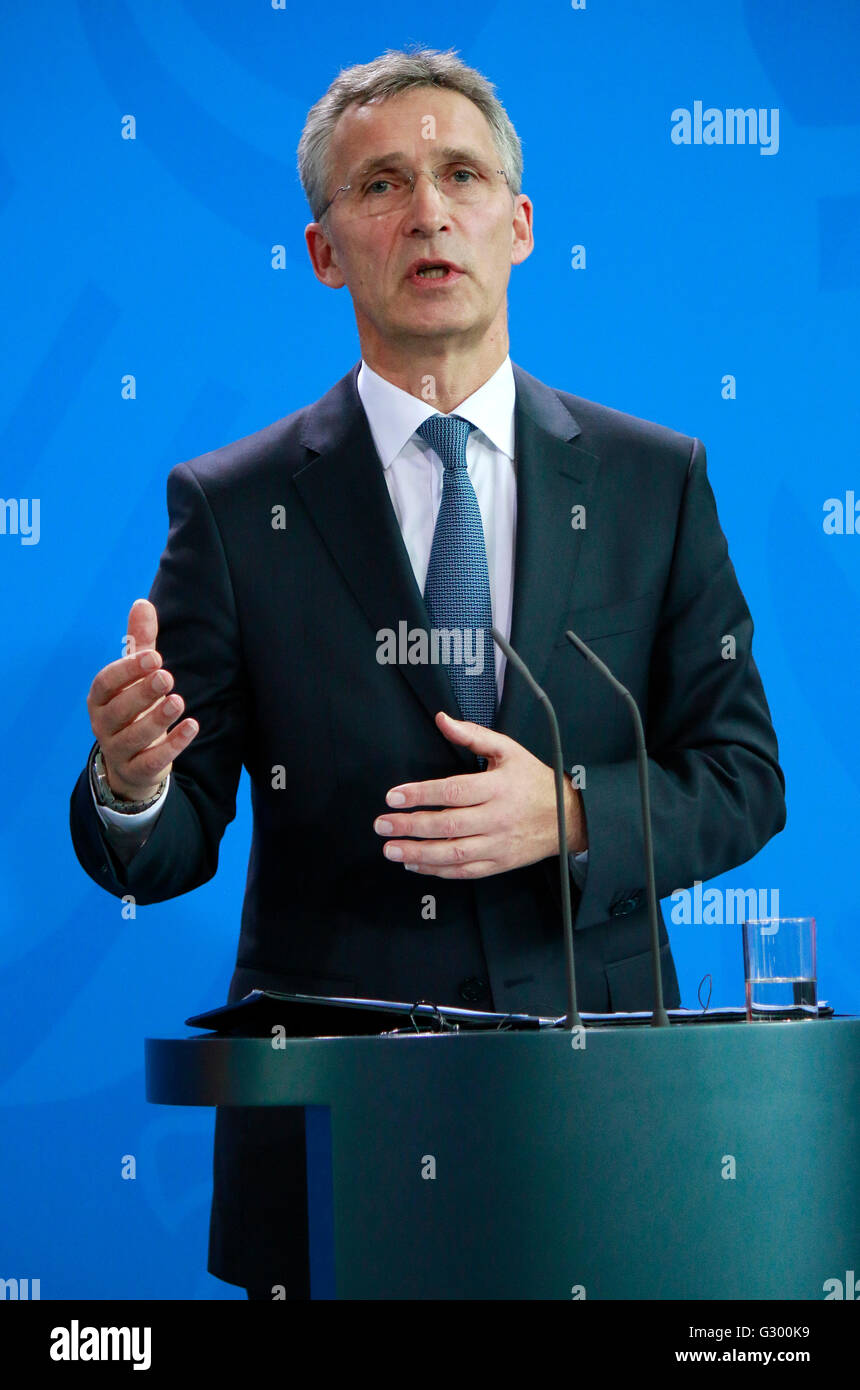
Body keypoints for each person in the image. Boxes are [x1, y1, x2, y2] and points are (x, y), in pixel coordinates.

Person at [69, 48, 786, 1299]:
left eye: (460, 175)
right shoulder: (235, 509)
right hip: (340, 1138)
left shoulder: (650, 483)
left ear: (517, 226)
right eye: (381, 185)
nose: (427, 210)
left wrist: (566, 813)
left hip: (607, 1122)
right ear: (324, 250)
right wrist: (132, 782)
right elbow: (176, 837)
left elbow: (741, 776)